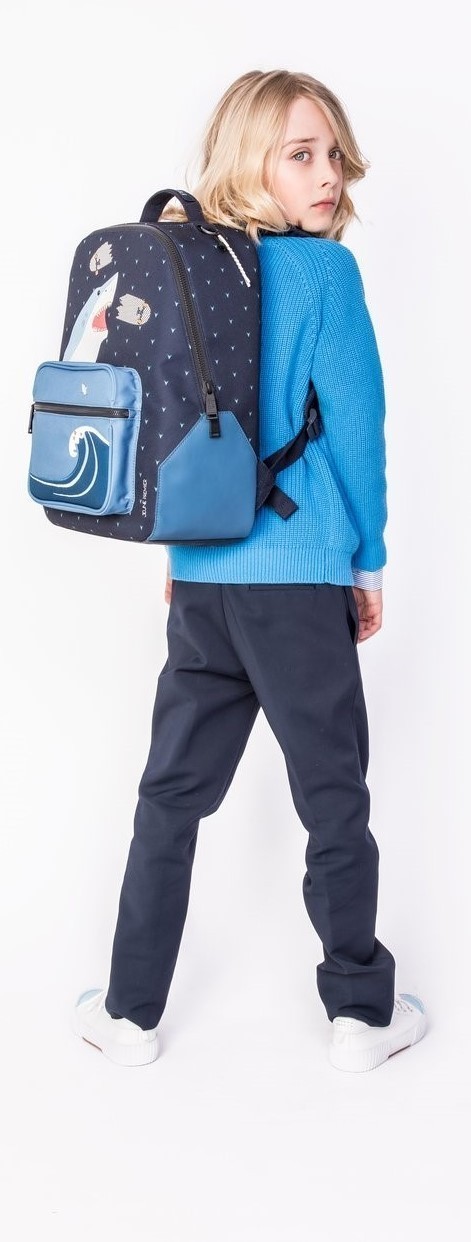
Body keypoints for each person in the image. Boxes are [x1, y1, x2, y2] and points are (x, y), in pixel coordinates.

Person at [73, 69, 427, 1072]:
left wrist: (182, 557)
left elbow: (169, 425)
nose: (328, 175)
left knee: (170, 796)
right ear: (248, 161)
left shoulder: (184, 266)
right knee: (332, 797)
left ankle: (129, 1014)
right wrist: (367, 559)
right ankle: (360, 1016)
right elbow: (357, 431)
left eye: (332, 153)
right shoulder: (323, 275)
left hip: (202, 575)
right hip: (299, 578)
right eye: (300, 154)